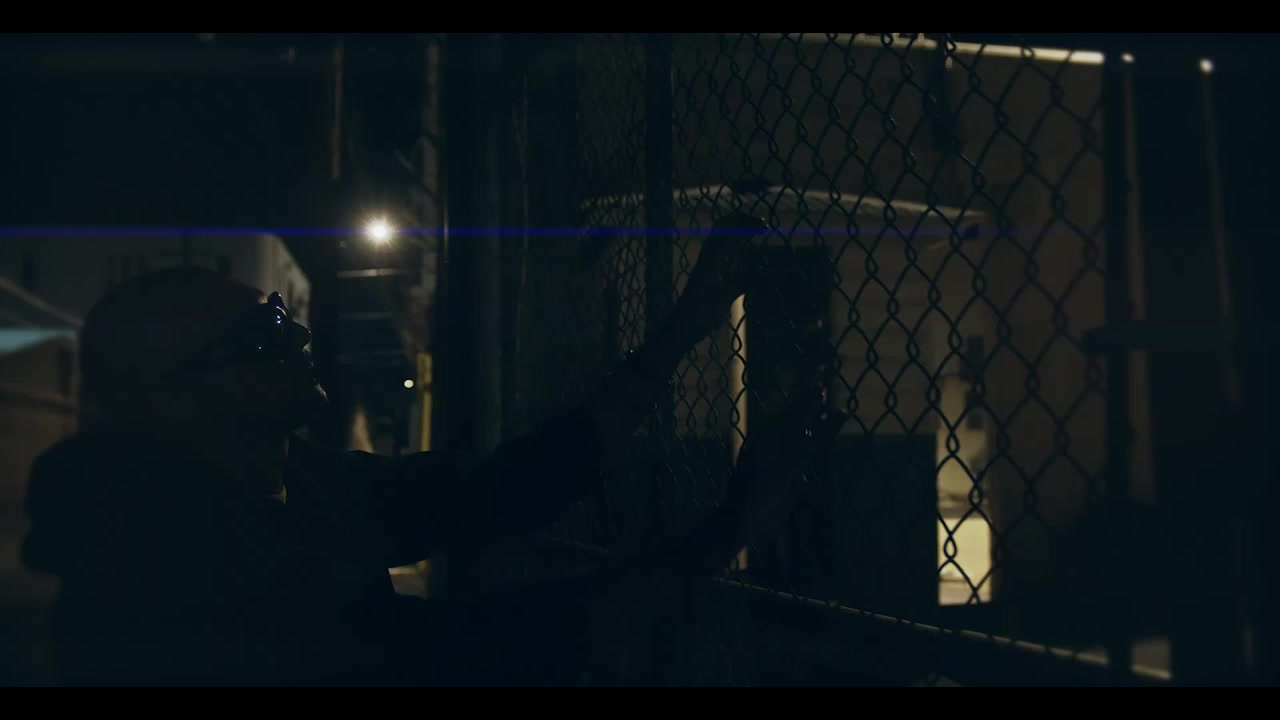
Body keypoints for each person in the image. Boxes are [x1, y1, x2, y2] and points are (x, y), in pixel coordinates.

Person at [20, 215, 842, 686]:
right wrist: (728, 529)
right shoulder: (172, 585)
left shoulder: (287, 482)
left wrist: (686, 327)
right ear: (174, 396)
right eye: (261, 334)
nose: (297, 334)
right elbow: (473, 651)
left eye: (282, 314)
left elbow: (494, 491)